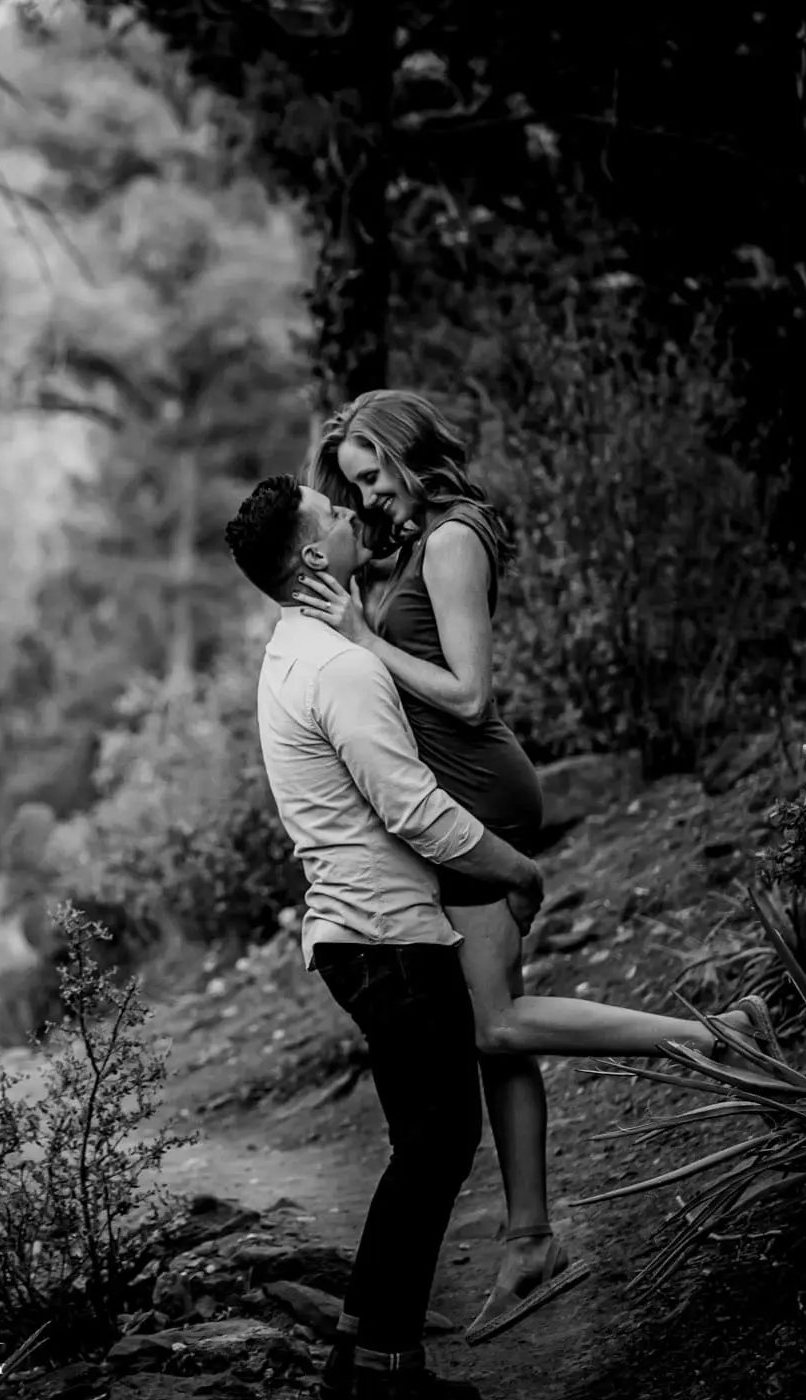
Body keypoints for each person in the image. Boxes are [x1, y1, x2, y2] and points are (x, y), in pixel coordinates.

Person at [289, 390, 768, 1343]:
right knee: (491, 1030)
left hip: (480, 796)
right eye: (352, 482)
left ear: (410, 449)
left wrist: (366, 642)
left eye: (374, 468)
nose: (368, 488)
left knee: (498, 1023)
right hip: (458, 801)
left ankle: (717, 1034)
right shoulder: (413, 541)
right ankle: (529, 1243)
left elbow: (468, 695)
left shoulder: (457, 538)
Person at [227, 473, 537, 1400]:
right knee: (439, 1145)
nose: (349, 510)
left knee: (423, 1144)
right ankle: (387, 1379)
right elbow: (413, 812)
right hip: (388, 940)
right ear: (314, 555)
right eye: (331, 512)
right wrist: (516, 871)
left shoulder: (298, 653)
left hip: (358, 936)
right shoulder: (342, 667)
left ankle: (358, 1358)